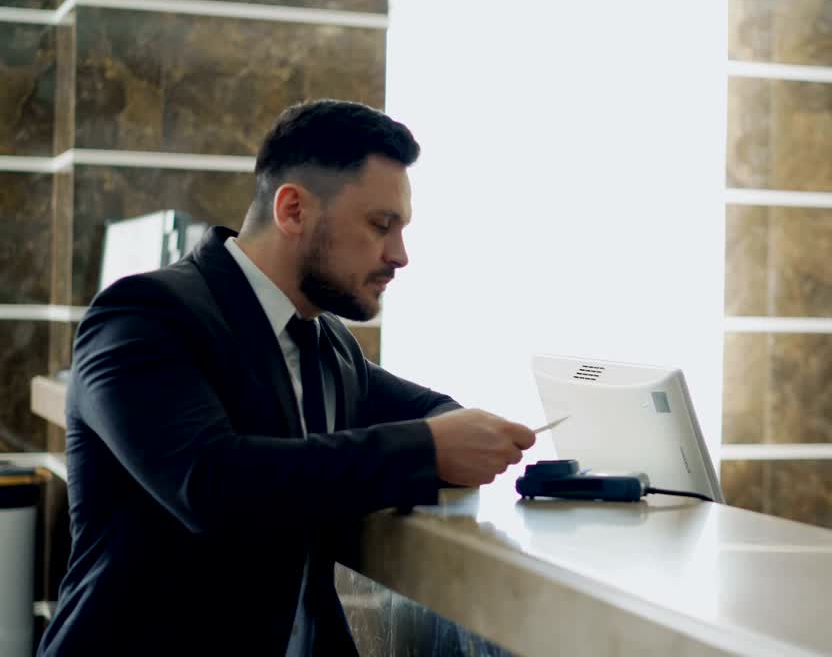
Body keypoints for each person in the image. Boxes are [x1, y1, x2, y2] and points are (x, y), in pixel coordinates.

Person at [38, 100, 538, 655]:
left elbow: (432, 412)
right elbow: (209, 484)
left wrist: (465, 437)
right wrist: (428, 448)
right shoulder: (143, 316)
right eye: (380, 225)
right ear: (293, 209)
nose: (400, 255)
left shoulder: (329, 347)